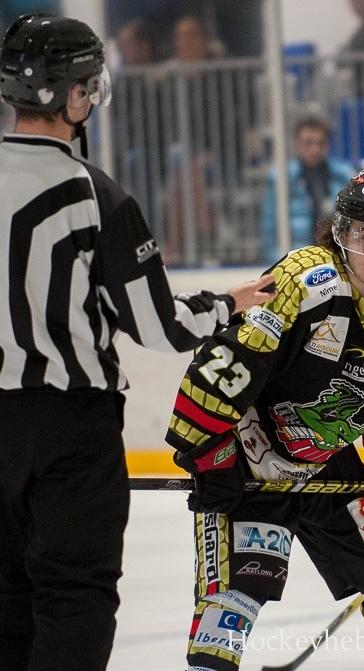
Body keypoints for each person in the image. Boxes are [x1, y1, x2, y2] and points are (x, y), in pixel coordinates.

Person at [0, 13, 275, 670]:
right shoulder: (97, 196)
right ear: (74, 94)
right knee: (75, 593)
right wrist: (227, 305)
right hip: (70, 428)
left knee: (7, 594)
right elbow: (159, 326)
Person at [165, 170, 364, 671]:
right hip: (249, 456)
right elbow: (223, 365)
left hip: (330, 460)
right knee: (232, 602)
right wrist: (211, 454)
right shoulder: (303, 279)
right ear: (341, 231)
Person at [260, 117, 356, 264]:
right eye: (308, 143)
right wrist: (280, 263)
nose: (314, 149)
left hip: (336, 259)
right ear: (297, 143)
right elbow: (269, 227)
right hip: (294, 260)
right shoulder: (282, 178)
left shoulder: (344, 176)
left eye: (321, 143)